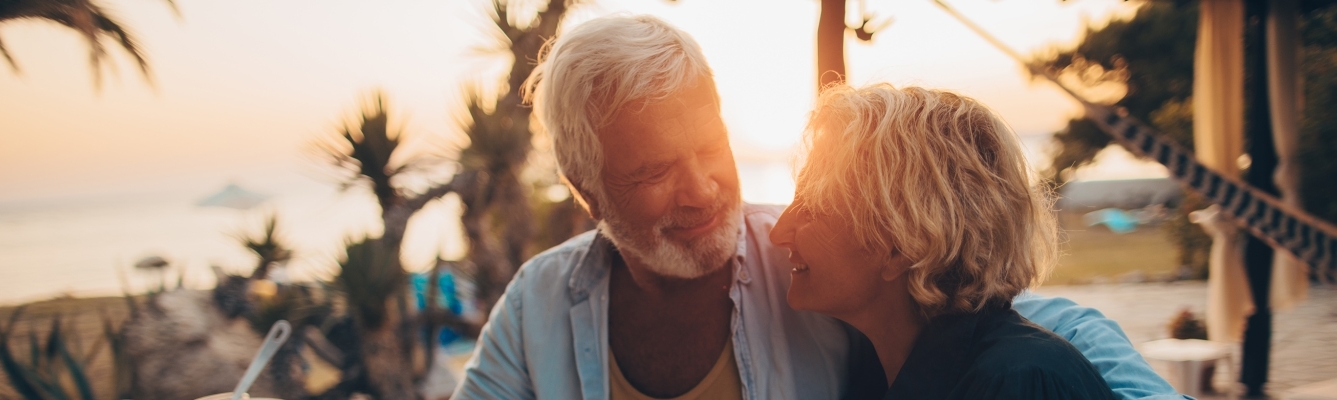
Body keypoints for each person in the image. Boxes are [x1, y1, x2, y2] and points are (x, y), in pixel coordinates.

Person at [453, 14, 1183, 400]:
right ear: (587, 187)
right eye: (653, 171)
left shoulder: (810, 259)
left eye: (711, 147)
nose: (703, 190)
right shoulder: (540, 301)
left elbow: (1015, 324)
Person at [771, 83, 1115, 399]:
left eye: (812, 209)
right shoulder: (876, 369)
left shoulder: (1019, 382)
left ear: (900, 245)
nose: (778, 233)